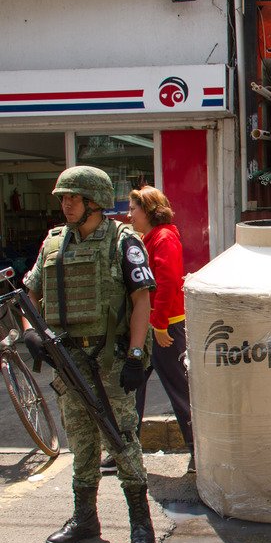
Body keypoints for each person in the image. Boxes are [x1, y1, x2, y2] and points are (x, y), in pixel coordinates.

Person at [21, 166, 157, 543]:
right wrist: (31, 333)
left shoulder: (122, 241)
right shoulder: (53, 243)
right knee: (80, 442)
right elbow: (31, 291)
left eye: (74, 198)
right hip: (69, 358)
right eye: (63, 198)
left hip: (110, 358)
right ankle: (85, 519)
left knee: (122, 439)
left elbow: (141, 300)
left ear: (94, 201)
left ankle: (140, 522)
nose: (66, 204)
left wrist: (134, 355)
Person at [100, 186, 195, 476]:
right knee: (131, 390)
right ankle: (124, 451)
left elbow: (166, 284)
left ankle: (199, 451)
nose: (129, 216)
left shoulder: (163, 238)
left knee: (180, 392)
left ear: (150, 212)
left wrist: (161, 324)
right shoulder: (149, 238)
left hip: (164, 327)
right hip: (151, 326)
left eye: (134, 210)